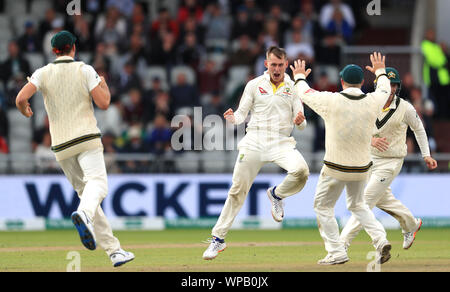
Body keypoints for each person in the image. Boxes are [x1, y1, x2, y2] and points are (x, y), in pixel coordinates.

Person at [15, 30, 134, 267]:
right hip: (87, 139)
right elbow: (104, 103)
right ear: (73, 48)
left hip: (60, 146)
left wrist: (24, 110)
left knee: (87, 195)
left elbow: (20, 98)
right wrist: (105, 87)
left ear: (53, 51)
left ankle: (115, 251)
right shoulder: (85, 69)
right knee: (98, 185)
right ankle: (85, 215)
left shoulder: (43, 72)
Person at [203, 46, 310, 260]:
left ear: (286, 65)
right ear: (266, 64)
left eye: (280, 65)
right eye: (273, 64)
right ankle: (217, 240)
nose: (277, 69)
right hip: (255, 140)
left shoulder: (293, 87)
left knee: (302, 171)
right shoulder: (254, 85)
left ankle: (277, 194)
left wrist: (301, 122)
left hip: (281, 141)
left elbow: (302, 124)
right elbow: (242, 114)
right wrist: (233, 118)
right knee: (237, 190)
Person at [291, 52, 392, 265]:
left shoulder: (331, 100)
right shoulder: (373, 100)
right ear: (363, 82)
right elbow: (384, 88)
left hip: (335, 168)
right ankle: (380, 239)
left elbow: (305, 93)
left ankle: (337, 251)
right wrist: (381, 71)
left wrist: (299, 76)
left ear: (342, 82)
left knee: (322, 207)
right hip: (362, 168)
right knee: (358, 205)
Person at [340, 67, 438, 250]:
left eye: (395, 85)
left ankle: (341, 243)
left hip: (391, 161)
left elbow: (418, 128)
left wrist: (426, 154)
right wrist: (371, 140)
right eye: (389, 84)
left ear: (398, 87)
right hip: (369, 159)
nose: (391, 89)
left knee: (364, 201)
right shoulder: (368, 103)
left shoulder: (405, 107)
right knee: (382, 199)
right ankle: (411, 224)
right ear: (379, 85)